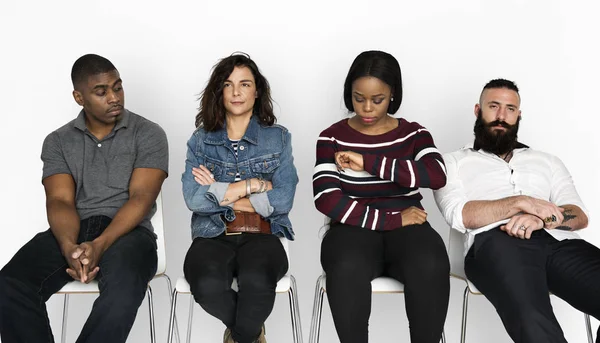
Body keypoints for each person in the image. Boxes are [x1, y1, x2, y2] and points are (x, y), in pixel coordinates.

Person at [0, 54, 169, 343]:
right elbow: (60, 202)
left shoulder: (149, 133)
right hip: (74, 229)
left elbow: (141, 199)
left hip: (129, 233)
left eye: (118, 87)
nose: (114, 97)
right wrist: (68, 246)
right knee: (10, 283)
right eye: (101, 92)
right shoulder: (58, 141)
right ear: (79, 97)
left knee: (123, 287)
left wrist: (99, 245)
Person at [433, 78, 599, 343]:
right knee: (533, 318)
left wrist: (540, 218)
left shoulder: (547, 161)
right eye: (494, 107)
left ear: (519, 115)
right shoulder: (452, 162)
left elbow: (579, 215)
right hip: (496, 243)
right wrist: (520, 203)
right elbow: (459, 214)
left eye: (510, 109)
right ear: (478, 110)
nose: (501, 116)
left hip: (559, 243)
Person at [313, 50, 450, 343]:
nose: (366, 108)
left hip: (410, 231)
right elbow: (326, 198)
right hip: (353, 229)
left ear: (393, 95)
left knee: (431, 263)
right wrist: (392, 219)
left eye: (377, 100)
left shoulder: (413, 134)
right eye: (358, 97)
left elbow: (436, 175)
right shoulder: (331, 137)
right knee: (346, 266)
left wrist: (369, 162)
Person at [181, 53, 298, 343]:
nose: (236, 92)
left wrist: (219, 192)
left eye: (245, 84)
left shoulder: (278, 138)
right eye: (228, 84)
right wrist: (254, 185)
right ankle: (250, 333)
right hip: (212, 235)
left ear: (257, 91)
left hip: (262, 234)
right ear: (218, 91)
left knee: (257, 281)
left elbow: (283, 200)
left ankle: (238, 336)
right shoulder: (200, 140)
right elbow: (194, 200)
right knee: (207, 285)